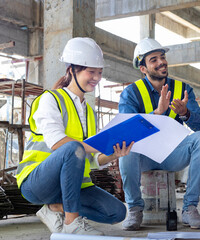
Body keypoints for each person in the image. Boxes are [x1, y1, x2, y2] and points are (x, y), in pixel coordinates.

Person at [16, 37, 134, 235]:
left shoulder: (88, 111)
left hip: (71, 187)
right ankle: (72, 225)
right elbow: (57, 143)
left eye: (99, 72)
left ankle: (55, 208)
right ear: (72, 70)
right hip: (38, 183)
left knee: (117, 212)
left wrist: (114, 153)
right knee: (72, 147)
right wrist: (97, 144)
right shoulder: (50, 99)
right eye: (91, 71)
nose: (96, 77)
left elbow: (94, 159)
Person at [118, 38, 200, 230]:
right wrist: (156, 115)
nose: (161, 62)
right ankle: (135, 209)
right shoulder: (131, 93)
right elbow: (126, 131)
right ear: (143, 68)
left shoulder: (182, 89)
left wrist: (185, 113)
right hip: (142, 156)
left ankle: (190, 208)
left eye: (162, 57)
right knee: (127, 146)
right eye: (153, 59)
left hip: (172, 154)